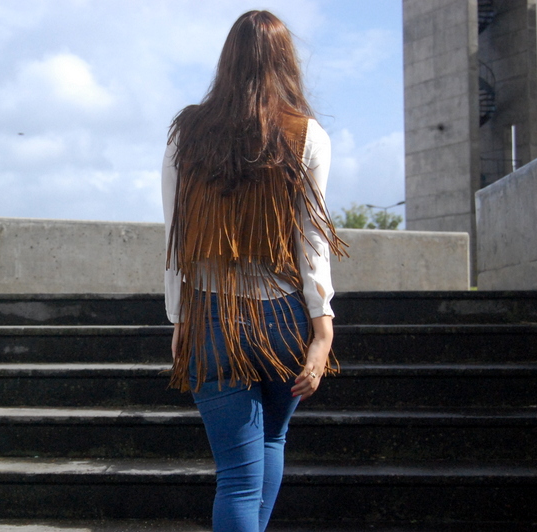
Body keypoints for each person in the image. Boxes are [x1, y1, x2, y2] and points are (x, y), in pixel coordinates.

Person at [162, 10, 348, 532]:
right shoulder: (308, 136)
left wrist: (179, 318)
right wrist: (323, 329)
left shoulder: (185, 133)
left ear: (227, 60)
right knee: (271, 441)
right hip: (284, 318)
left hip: (211, 314)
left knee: (237, 480)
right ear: (287, 62)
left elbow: (175, 235)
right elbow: (312, 241)